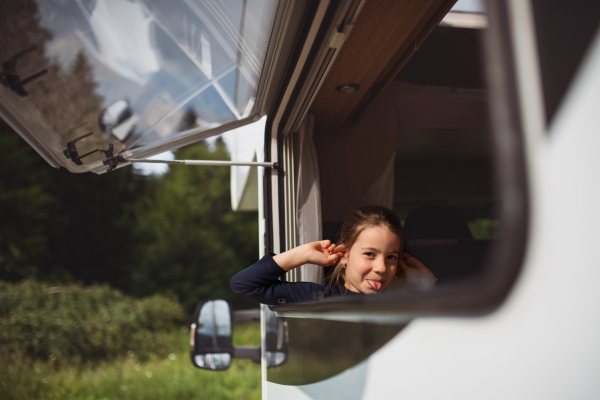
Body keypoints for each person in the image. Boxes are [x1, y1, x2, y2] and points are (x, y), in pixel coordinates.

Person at [230, 205, 437, 305]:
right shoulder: (318, 298)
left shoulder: (405, 303)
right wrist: (303, 253)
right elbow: (244, 284)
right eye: (369, 254)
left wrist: (429, 283)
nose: (382, 268)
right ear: (344, 255)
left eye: (391, 257)